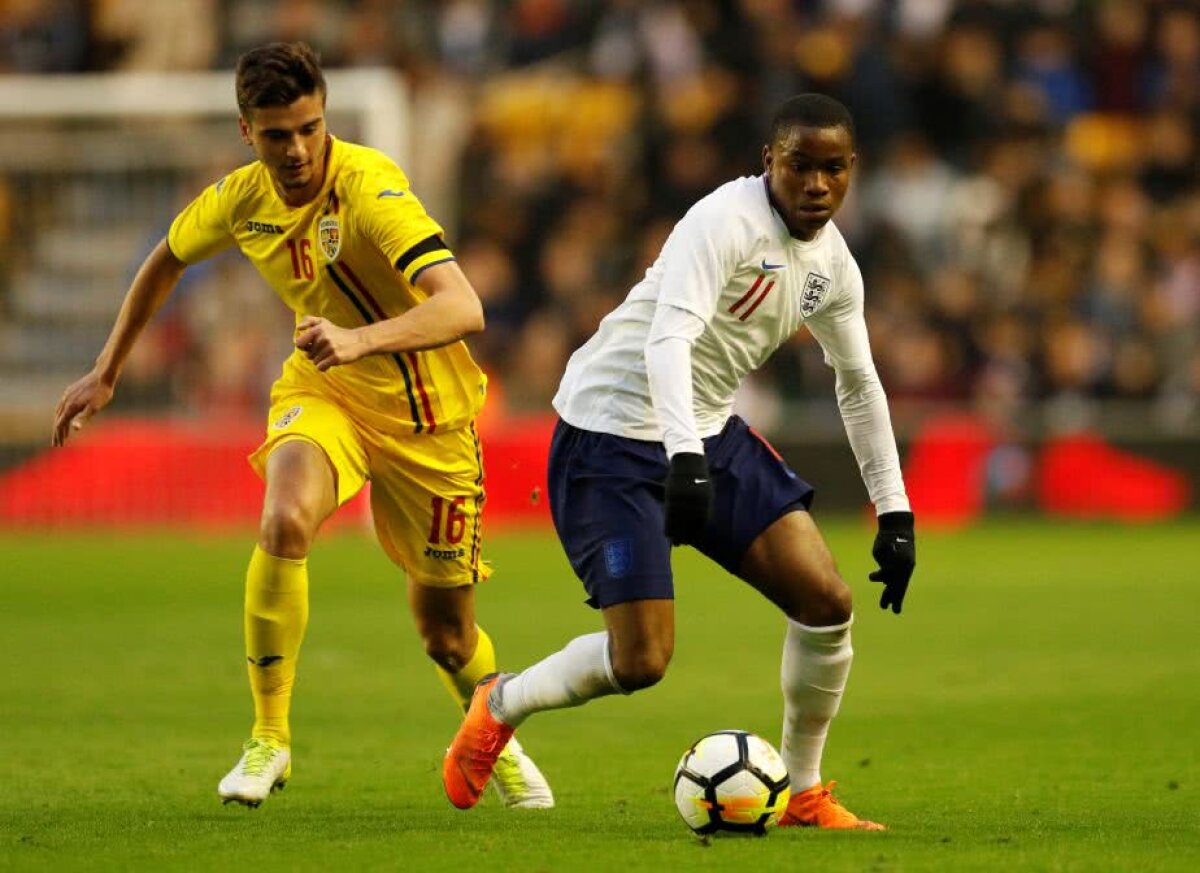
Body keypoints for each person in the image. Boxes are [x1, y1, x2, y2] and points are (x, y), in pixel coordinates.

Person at [52, 41, 553, 811]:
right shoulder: (240, 198)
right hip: (326, 395)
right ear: (246, 131)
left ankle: (495, 729)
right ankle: (269, 739)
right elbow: (164, 259)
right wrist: (107, 368)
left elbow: (464, 306)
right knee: (284, 517)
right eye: (277, 134)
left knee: (447, 637)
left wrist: (357, 338)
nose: (297, 149)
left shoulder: (371, 188)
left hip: (430, 422)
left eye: (309, 129)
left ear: (325, 119)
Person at [443, 94, 915, 829]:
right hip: (609, 437)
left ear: (851, 172)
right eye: (800, 166)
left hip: (704, 430)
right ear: (770, 162)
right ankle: (500, 701)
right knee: (642, 661)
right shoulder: (722, 223)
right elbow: (669, 340)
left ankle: (805, 791)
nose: (817, 184)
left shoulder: (834, 267)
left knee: (827, 601)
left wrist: (895, 509)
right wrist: (685, 461)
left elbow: (858, 384)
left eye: (833, 169)